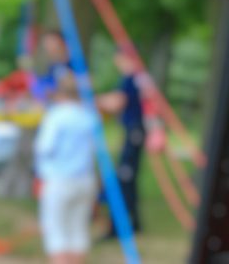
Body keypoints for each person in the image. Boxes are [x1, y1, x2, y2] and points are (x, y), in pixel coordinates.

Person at [97, 52, 165, 237]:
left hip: (134, 132)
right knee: (128, 180)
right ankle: (134, 222)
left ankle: (120, 225)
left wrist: (92, 100)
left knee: (124, 178)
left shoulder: (132, 78)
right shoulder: (141, 78)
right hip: (135, 132)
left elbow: (117, 102)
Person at [35, 75, 98, 264]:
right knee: (78, 228)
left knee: (56, 230)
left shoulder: (57, 115)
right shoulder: (89, 116)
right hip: (85, 179)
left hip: (59, 179)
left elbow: (45, 147)